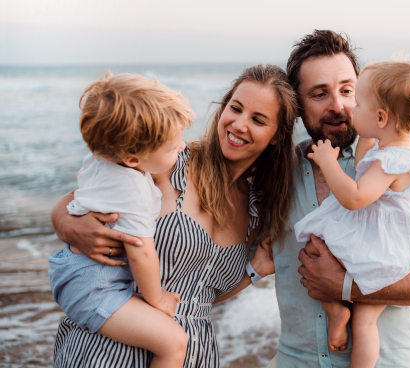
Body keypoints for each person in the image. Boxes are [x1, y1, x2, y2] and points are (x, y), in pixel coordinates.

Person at [50, 64, 298, 368]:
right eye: (236, 108)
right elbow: (84, 190)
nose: (239, 124)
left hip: (194, 354)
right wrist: (64, 222)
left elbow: (199, 296)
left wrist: (255, 269)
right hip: (110, 350)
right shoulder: (166, 161)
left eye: (258, 120)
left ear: (276, 136)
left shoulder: (257, 210)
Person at [267, 30, 410, 368]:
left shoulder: (399, 166)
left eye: (348, 91)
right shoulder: (276, 174)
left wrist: (346, 287)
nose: (339, 105)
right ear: (297, 106)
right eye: (319, 93)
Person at [49, 72, 194, 368]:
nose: (182, 147)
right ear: (132, 159)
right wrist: (158, 299)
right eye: (172, 145)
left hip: (75, 271)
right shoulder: (134, 190)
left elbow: (80, 194)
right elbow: (141, 252)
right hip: (96, 286)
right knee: (174, 342)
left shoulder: (99, 159)